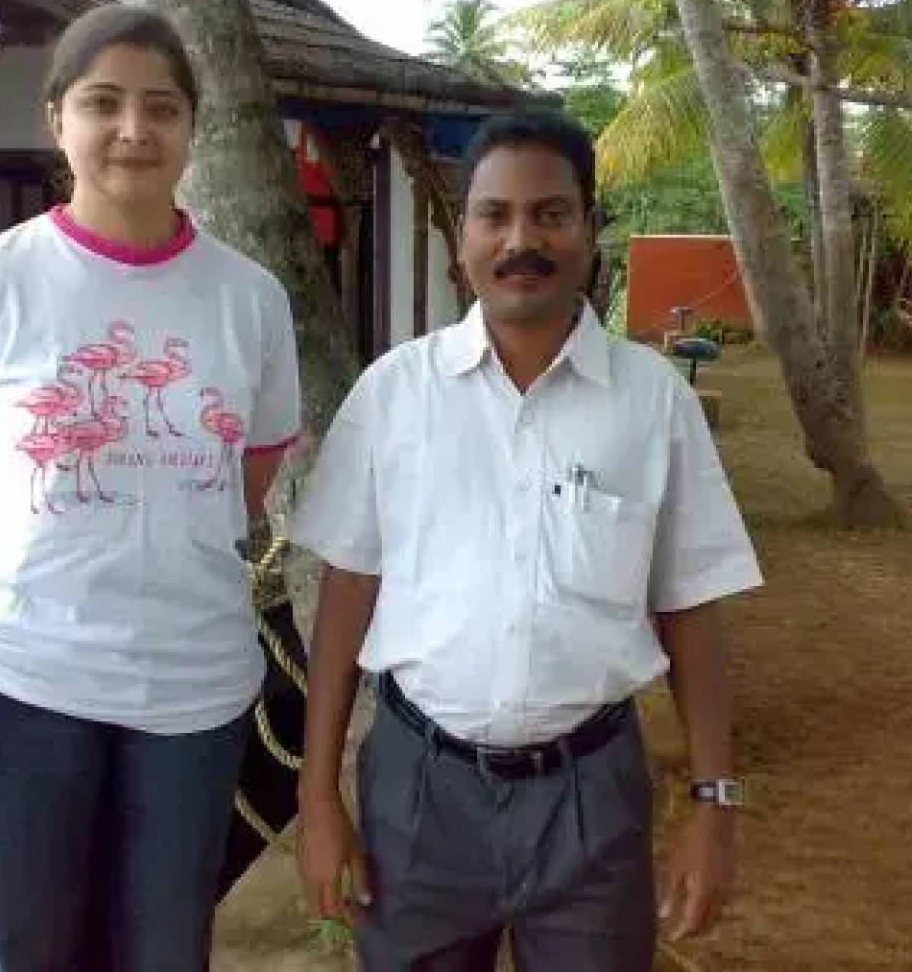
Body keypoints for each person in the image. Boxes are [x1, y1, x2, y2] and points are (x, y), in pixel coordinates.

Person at [290, 108, 763, 971]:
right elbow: (346, 594)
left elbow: (689, 609)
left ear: (589, 228)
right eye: (495, 215)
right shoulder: (393, 395)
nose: (522, 240)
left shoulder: (653, 403)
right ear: (460, 233)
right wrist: (318, 799)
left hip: (593, 800)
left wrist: (714, 803)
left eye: (550, 213)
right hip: (417, 793)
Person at [0, 4, 301, 972]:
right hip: (12, 678)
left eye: (162, 107)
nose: (133, 130)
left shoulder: (250, 299)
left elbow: (246, 477)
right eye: (102, 103)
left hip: (192, 686)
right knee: (26, 952)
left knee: (164, 952)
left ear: (192, 127)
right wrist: (40, 570)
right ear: (56, 119)